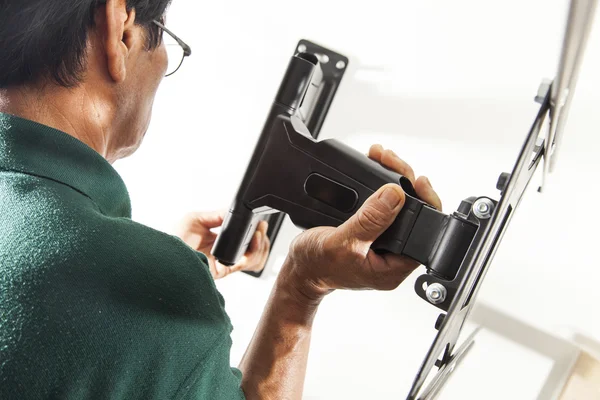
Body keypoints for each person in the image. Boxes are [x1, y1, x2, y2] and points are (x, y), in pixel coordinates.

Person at [0, 0, 442, 399]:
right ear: (121, 30)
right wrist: (302, 286)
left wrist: (147, 288)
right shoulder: (137, 283)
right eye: (169, 41)